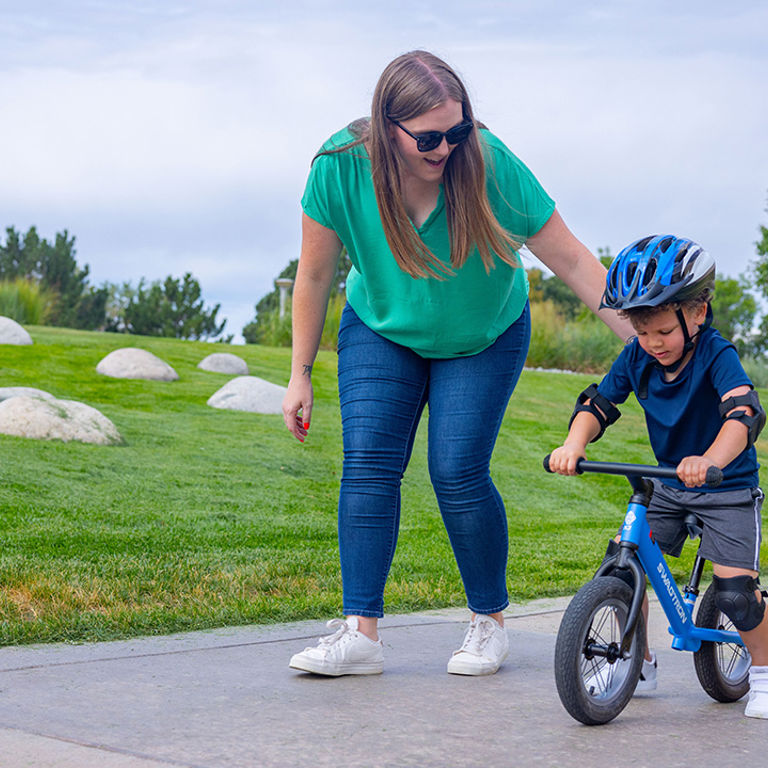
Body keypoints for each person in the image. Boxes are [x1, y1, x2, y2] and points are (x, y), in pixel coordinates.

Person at [283, 50, 632, 678]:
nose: (446, 147)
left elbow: (577, 264)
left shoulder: (491, 167)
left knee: (457, 470)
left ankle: (488, 623)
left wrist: (654, 346)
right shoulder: (338, 168)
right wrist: (299, 371)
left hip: (484, 335)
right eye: (429, 137)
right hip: (382, 328)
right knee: (367, 462)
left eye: (459, 129)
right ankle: (361, 634)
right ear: (386, 128)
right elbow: (314, 273)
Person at [548, 234, 768, 718]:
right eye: (642, 331)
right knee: (624, 566)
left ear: (697, 315)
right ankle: (636, 660)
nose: (653, 343)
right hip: (669, 483)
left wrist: (711, 459)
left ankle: (763, 671)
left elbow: (744, 414)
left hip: (724, 487)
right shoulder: (638, 356)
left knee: (735, 593)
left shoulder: (716, 354)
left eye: (663, 331)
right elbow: (597, 405)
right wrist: (573, 444)